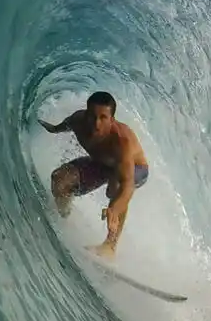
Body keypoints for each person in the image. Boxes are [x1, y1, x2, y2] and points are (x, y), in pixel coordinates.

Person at [40, 91, 150, 257]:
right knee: (59, 179)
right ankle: (64, 218)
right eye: (92, 116)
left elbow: (127, 185)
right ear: (85, 113)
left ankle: (110, 246)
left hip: (136, 169)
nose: (96, 123)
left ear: (112, 120)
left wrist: (114, 208)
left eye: (103, 118)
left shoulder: (121, 141)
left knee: (116, 188)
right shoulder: (77, 121)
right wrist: (52, 128)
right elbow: (60, 127)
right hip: (102, 164)